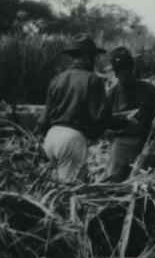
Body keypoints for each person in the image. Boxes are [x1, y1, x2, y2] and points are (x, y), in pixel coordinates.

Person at [38, 34, 110, 183]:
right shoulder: (92, 79)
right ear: (87, 57)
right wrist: (97, 135)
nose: (94, 61)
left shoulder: (56, 79)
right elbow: (99, 118)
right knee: (70, 191)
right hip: (72, 139)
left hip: (51, 137)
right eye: (93, 56)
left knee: (57, 185)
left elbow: (43, 119)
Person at [102, 47, 155, 182]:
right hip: (120, 145)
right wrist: (110, 132)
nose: (123, 73)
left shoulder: (148, 90)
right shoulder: (111, 95)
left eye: (126, 68)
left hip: (145, 143)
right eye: (119, 70)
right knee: (112, 183)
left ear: (132, 68)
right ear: (115, 73)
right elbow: (103, 124)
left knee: (150, 184)